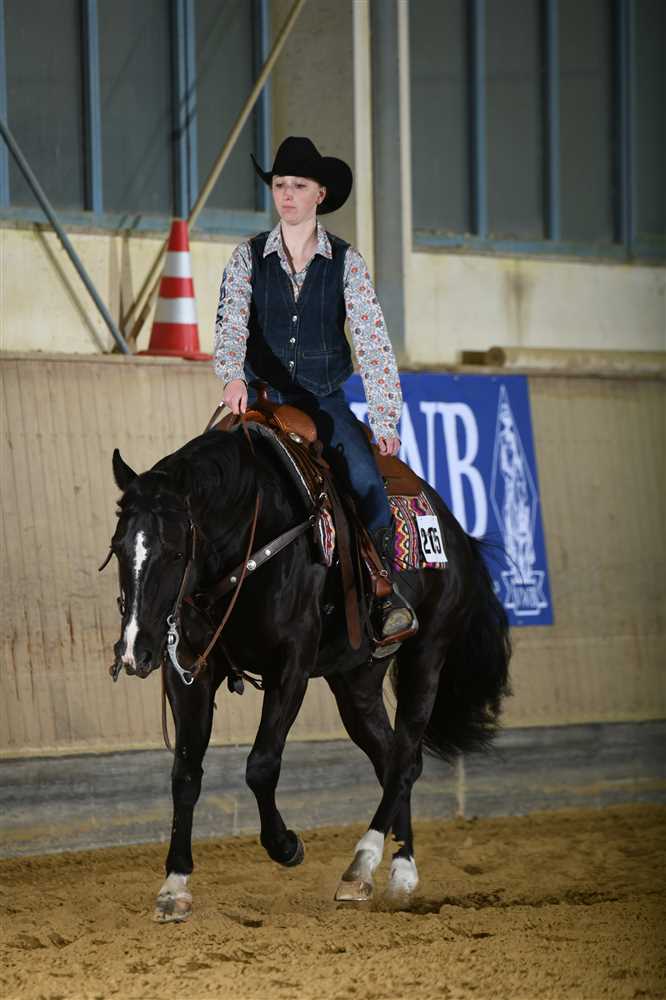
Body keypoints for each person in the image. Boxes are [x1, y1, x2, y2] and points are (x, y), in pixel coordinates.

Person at [213, 135, 416, 647]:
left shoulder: (347, 262)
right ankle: (202, 603)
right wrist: (232, 375)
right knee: (210, 475)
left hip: (323, 400)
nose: (287, 194)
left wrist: (384, 418)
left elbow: (372, 341)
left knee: (367, 482)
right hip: (260, 396)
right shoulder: (246, 258)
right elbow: (231, 322)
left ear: (319, 194)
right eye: (280, 184)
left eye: (298, 186)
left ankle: (382, 591)